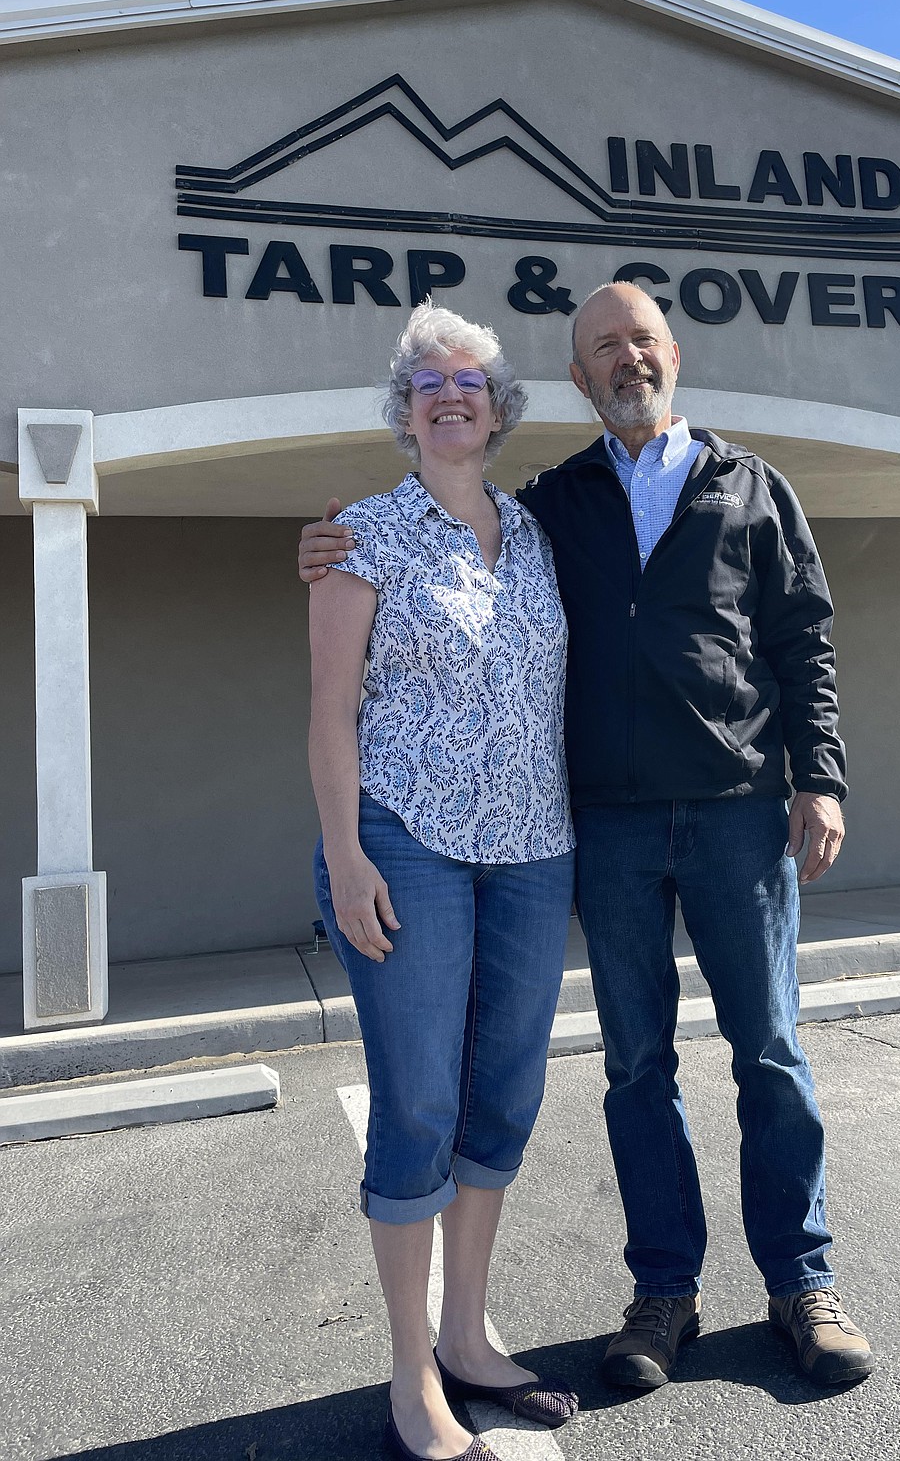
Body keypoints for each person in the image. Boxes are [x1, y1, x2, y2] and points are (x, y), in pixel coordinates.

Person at [301, 281, 874, 1394]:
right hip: (604, 823)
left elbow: (806, 635)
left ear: (674, 353)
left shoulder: (750, 485)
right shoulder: (551, 505)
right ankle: (664, 1291)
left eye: (642, 340)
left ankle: (803, 1281)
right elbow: (422, 558)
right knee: (635, 1066)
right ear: (576, 379)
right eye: (604, 348)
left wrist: (822, 778)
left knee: (770, 1054)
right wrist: (327, 553)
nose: (627, 359)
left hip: (736, 813)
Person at [307, 301, 579, 1461]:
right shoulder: (358, 534)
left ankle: (468, 1335)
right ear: (405, 413)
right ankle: (412, 1373)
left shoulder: (538, 535)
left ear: (500, 406)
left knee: (504, 1094)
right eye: (428, 382)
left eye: (471, 378)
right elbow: (327, 713)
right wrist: (347, 851)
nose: (451, 392)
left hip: (533, 847)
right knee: (416, 1101)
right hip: (406, 839)